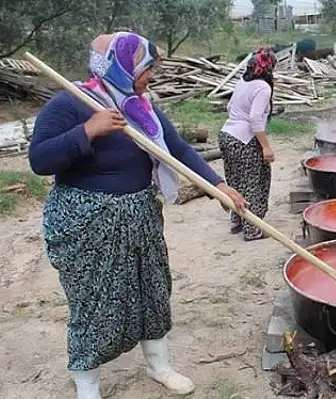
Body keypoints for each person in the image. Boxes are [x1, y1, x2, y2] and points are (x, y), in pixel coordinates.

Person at [28, 32, 247, 399]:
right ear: (119, 67)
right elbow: (39, 160)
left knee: (152, 291)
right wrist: (88, 131)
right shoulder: (71, 102)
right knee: (93, 301)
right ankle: (88, 386)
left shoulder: (140, 107)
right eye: (146, 68)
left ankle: (160, 366)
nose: (151, 76)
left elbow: (176, 147)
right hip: (89, 223)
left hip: (141, 216)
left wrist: (217, 185)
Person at [219, 47, 277, 241]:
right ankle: (252, 229)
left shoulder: (243, 81)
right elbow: (255, 119)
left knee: (235, 181)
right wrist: (266, 147)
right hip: (244, 140)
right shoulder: (263, 87)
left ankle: (237, 221)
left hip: (227, 135)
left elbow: (230, 107)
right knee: (254, 181)